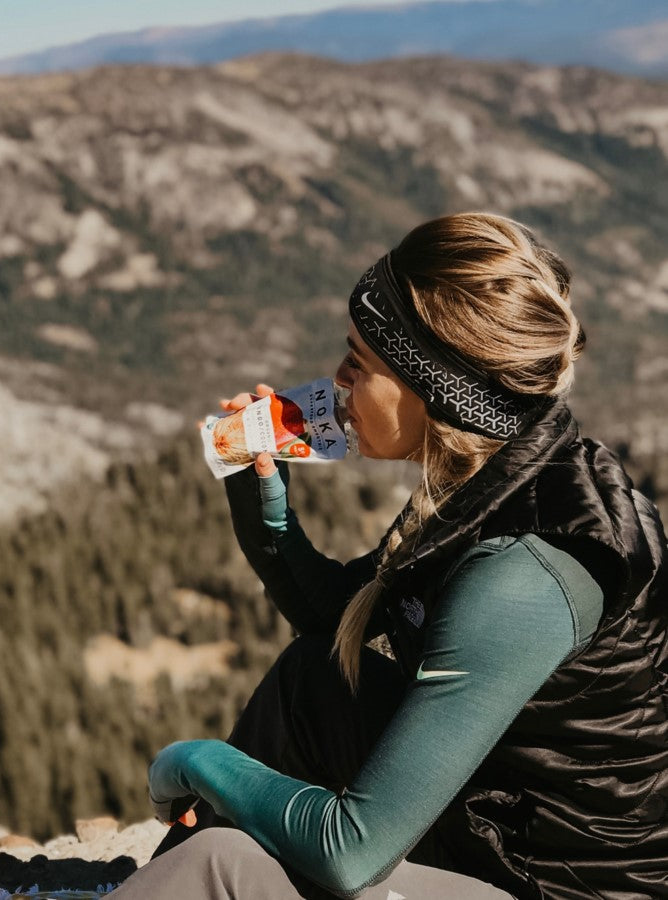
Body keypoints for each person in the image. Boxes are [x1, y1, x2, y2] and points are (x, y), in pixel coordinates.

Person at [109, 213, 668, 899]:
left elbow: (351, 851)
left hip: (556, 887)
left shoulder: (525, 567)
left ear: (434, 388)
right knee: (311, 680)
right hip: (503, 823)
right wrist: (266, 512)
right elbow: (339, 615)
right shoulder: (496, 476)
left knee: (223, 864)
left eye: (361, 362)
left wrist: (197, 761)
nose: (338, 379)